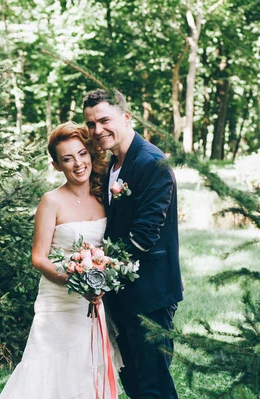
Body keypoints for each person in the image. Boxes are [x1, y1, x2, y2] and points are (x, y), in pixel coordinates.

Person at [0, 122, 122, 399]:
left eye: (82, 154)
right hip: (60, 299)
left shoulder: (104, 197)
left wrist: (101, 280)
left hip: (95, 301)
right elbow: (38, 257)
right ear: (57, 166)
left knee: (87, 370)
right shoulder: (51, 201)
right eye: (68, 158)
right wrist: (75, 280)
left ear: (90, 155)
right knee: (49, 369)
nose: (78, 164)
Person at [83, 88, 183, 399]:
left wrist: (98, 266)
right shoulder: (112, 164)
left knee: (155, 385)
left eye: (104, 120)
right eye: (90, 124)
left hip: (150, 294)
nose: (97, 130)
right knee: (135, 384)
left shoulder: (151, 162)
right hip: (120, 292)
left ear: (127, 118)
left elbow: (144, 235)